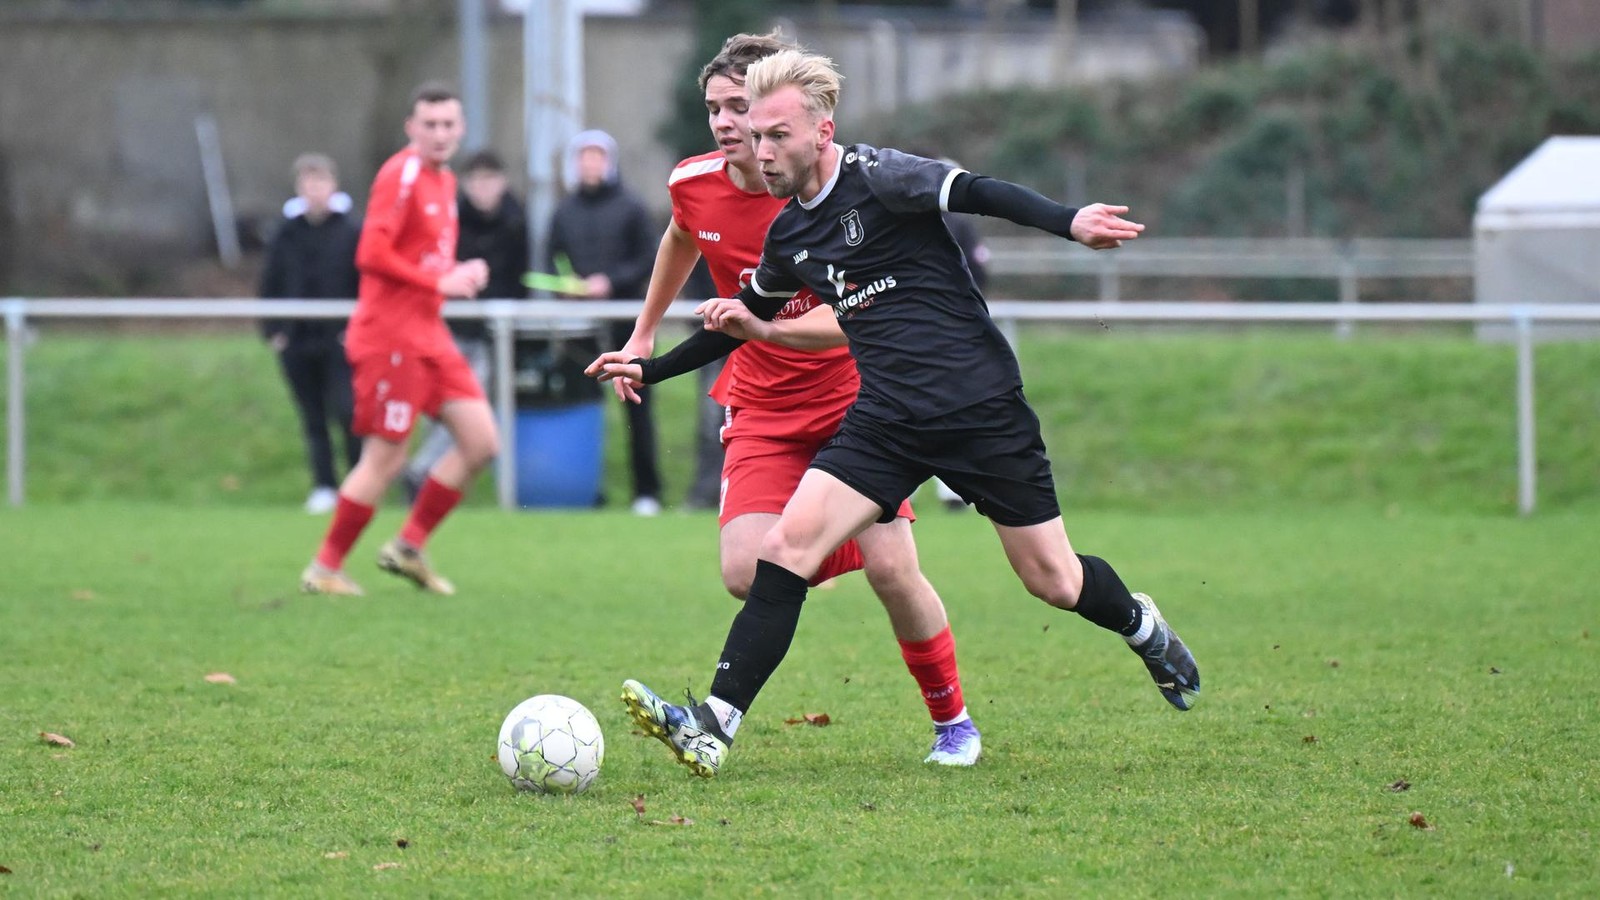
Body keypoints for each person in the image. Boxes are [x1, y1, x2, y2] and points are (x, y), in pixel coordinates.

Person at [592, 50, 1199, 779]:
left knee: (1054, 581)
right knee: (785, 550)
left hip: (979, 410)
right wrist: (649, 367)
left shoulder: (881, 176)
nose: (762, 151)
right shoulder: (790, 236)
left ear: (822, 131)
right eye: (755, 136)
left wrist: (1071, 222)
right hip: (885, 419)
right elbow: (739, 322)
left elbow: (978, 191)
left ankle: (1139, 622)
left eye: (777, 135)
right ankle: (712, 727)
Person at [587, 33, 983, 770]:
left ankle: (954, 723)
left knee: (897, 571)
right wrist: (642, 336)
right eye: (715, 108)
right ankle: (817, 550)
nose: (727, 123)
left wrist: (765, 325)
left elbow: (853, 315)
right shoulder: (694, 181)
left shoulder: (823, 194)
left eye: (740, 107)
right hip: (762, 405)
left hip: (854, 400)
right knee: (745, 571)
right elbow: (682, 235)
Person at [299, 81, 497, 597]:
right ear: (411, 128)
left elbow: (420, 257)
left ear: (461, 128)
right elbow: (370, 252)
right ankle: (324, 567)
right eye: (428, 124)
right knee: (385, 458)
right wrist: (439, 282)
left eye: (448, 124)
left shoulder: (444, 179)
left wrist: (458, 271)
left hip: (428, 333)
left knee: (481, 442)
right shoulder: (401, 173)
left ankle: (408, 546)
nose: (439, 133)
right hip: (390, 337)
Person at [546, 129, 663, 516]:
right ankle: (582, 489)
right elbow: (551, 259)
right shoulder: (564, 211)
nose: (590, 164)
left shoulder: (631, 206)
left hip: (626, 324)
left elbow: (651, 258)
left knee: (637, 406)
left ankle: (647, 492)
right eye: (584, 157)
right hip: (578, 328)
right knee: (578, 407)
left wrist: (608, 282)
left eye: (597, 156)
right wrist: (566, 287)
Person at [402, 148, 528, 501]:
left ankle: (424, 473)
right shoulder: (449, 219)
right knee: (439, 408)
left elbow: (517, 278)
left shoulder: (516, 221)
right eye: (476, 180)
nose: (483, 189)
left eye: (489, 180)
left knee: (474, 406)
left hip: (493, 333)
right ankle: (427, 476)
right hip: (449, 328)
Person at [259, 152, 362, 515]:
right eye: (308, 182)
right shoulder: (285, 233)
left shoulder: (352, 230)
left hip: (342, 339)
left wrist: (358, 330)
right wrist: (274, 331)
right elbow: (269, 283)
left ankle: (357, 485)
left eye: (320, 181)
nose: (314, 190)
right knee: (312, 416)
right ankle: (323, 486)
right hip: (298, 340)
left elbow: (364, 282)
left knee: (349, 412)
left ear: (333, 186)